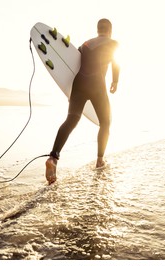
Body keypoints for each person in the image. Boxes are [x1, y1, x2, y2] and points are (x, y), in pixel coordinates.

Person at [45, 18, 120, 184]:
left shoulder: (85, 44)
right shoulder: (113, 43)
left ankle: (53, 157)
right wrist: (115, 81)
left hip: (78, 84)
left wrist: (69, 91)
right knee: (105, 123)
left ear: (97, 29)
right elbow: (116, 62)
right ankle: (100, 160)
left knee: (71, 119)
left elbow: (72, 63)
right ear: (110, 30)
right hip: (97, 85)